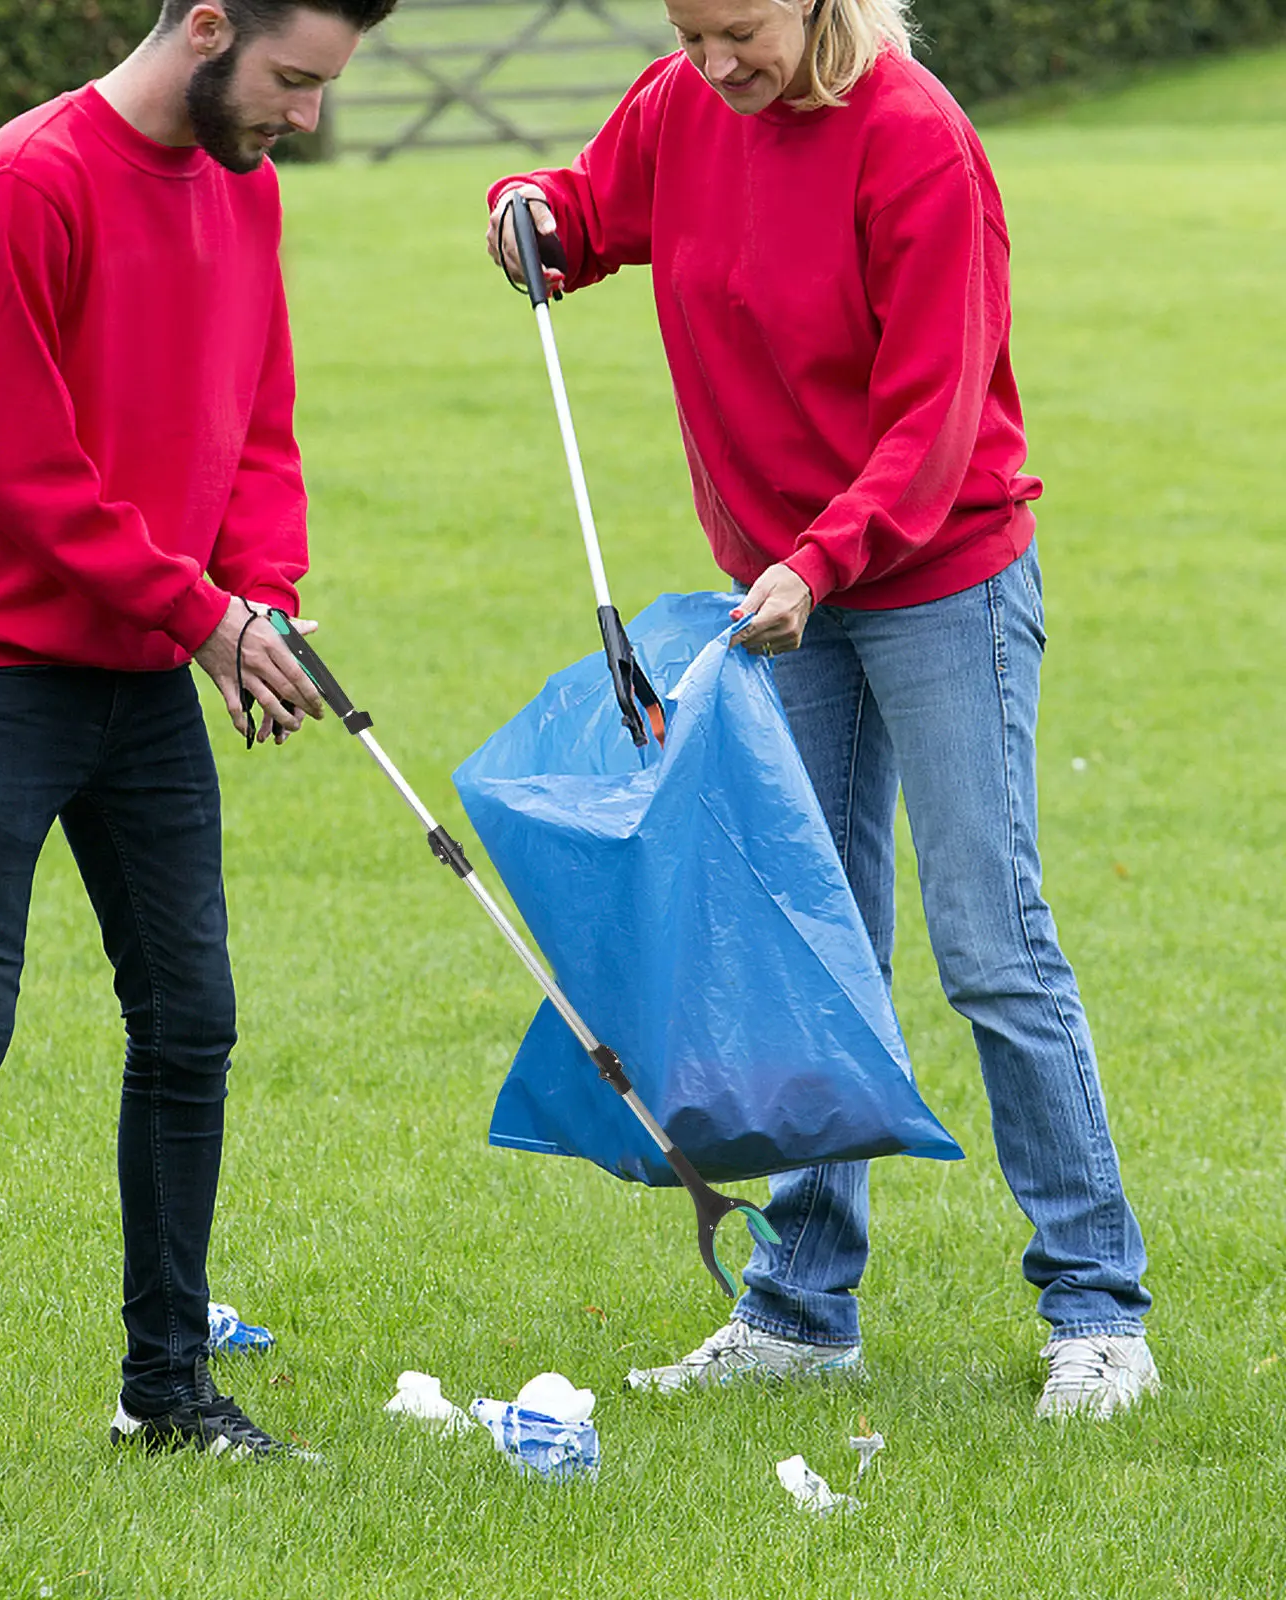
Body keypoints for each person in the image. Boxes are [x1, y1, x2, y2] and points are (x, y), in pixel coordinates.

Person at [486, 0, 1157, 1419]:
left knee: (992, 944)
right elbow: (591, 212)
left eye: (738, 31)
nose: (713, 63)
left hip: (938, 579)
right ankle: (801, 1309)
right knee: (806, 945)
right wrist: (531, 210)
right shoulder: (682, 105)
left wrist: (821, 558)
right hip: (781, 592)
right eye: (688, 31)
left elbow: (936, 418)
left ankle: (1097, 1312)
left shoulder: (915, 141)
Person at [0, 0, 395, 1505]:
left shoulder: (242, 188)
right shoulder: (24, 185)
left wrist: (259, 597)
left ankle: (168, 1390)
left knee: (192, 1022)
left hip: (148, 671)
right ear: (206, 26)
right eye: (293, 80)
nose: (307, 119)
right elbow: (13, 461)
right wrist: (202, 615)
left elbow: (258, 423)